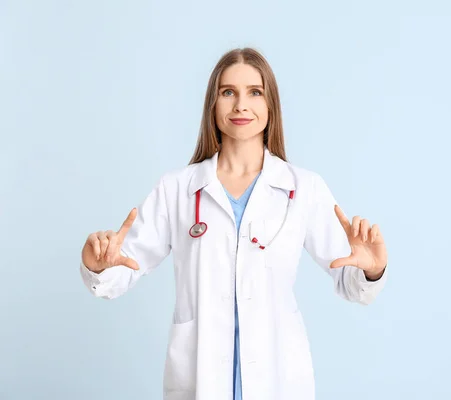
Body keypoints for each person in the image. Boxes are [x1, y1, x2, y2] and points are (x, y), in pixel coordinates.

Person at [80, 47, 388, 400]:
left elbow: (352, 283)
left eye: (254, 92)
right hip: (198, 382)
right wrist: (98, 266)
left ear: (270, 105)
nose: (241, 105)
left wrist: (371, 271)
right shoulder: (178, 189)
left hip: (280, 380)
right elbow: (122, 270)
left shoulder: (303, 189)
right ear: (213, 105)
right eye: (228, 92)